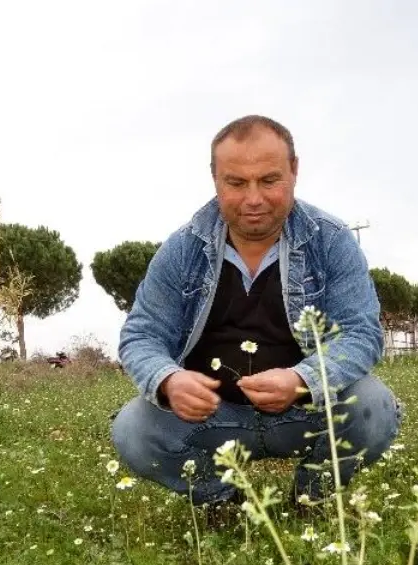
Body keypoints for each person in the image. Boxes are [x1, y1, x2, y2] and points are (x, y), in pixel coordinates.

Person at [111, 115, 402, 510]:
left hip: (305, 414)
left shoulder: (330, 241)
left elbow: (360, 334)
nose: (253, 198)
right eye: (235, 183)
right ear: (215, 178)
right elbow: (142, 334)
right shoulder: (182, 249)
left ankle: (310, 500)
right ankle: (223, 502)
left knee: (373, 405)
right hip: (210, 421)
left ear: (294, 171)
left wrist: (302, 379)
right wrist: (169, 380)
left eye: (269, 180)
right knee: (133, 429)